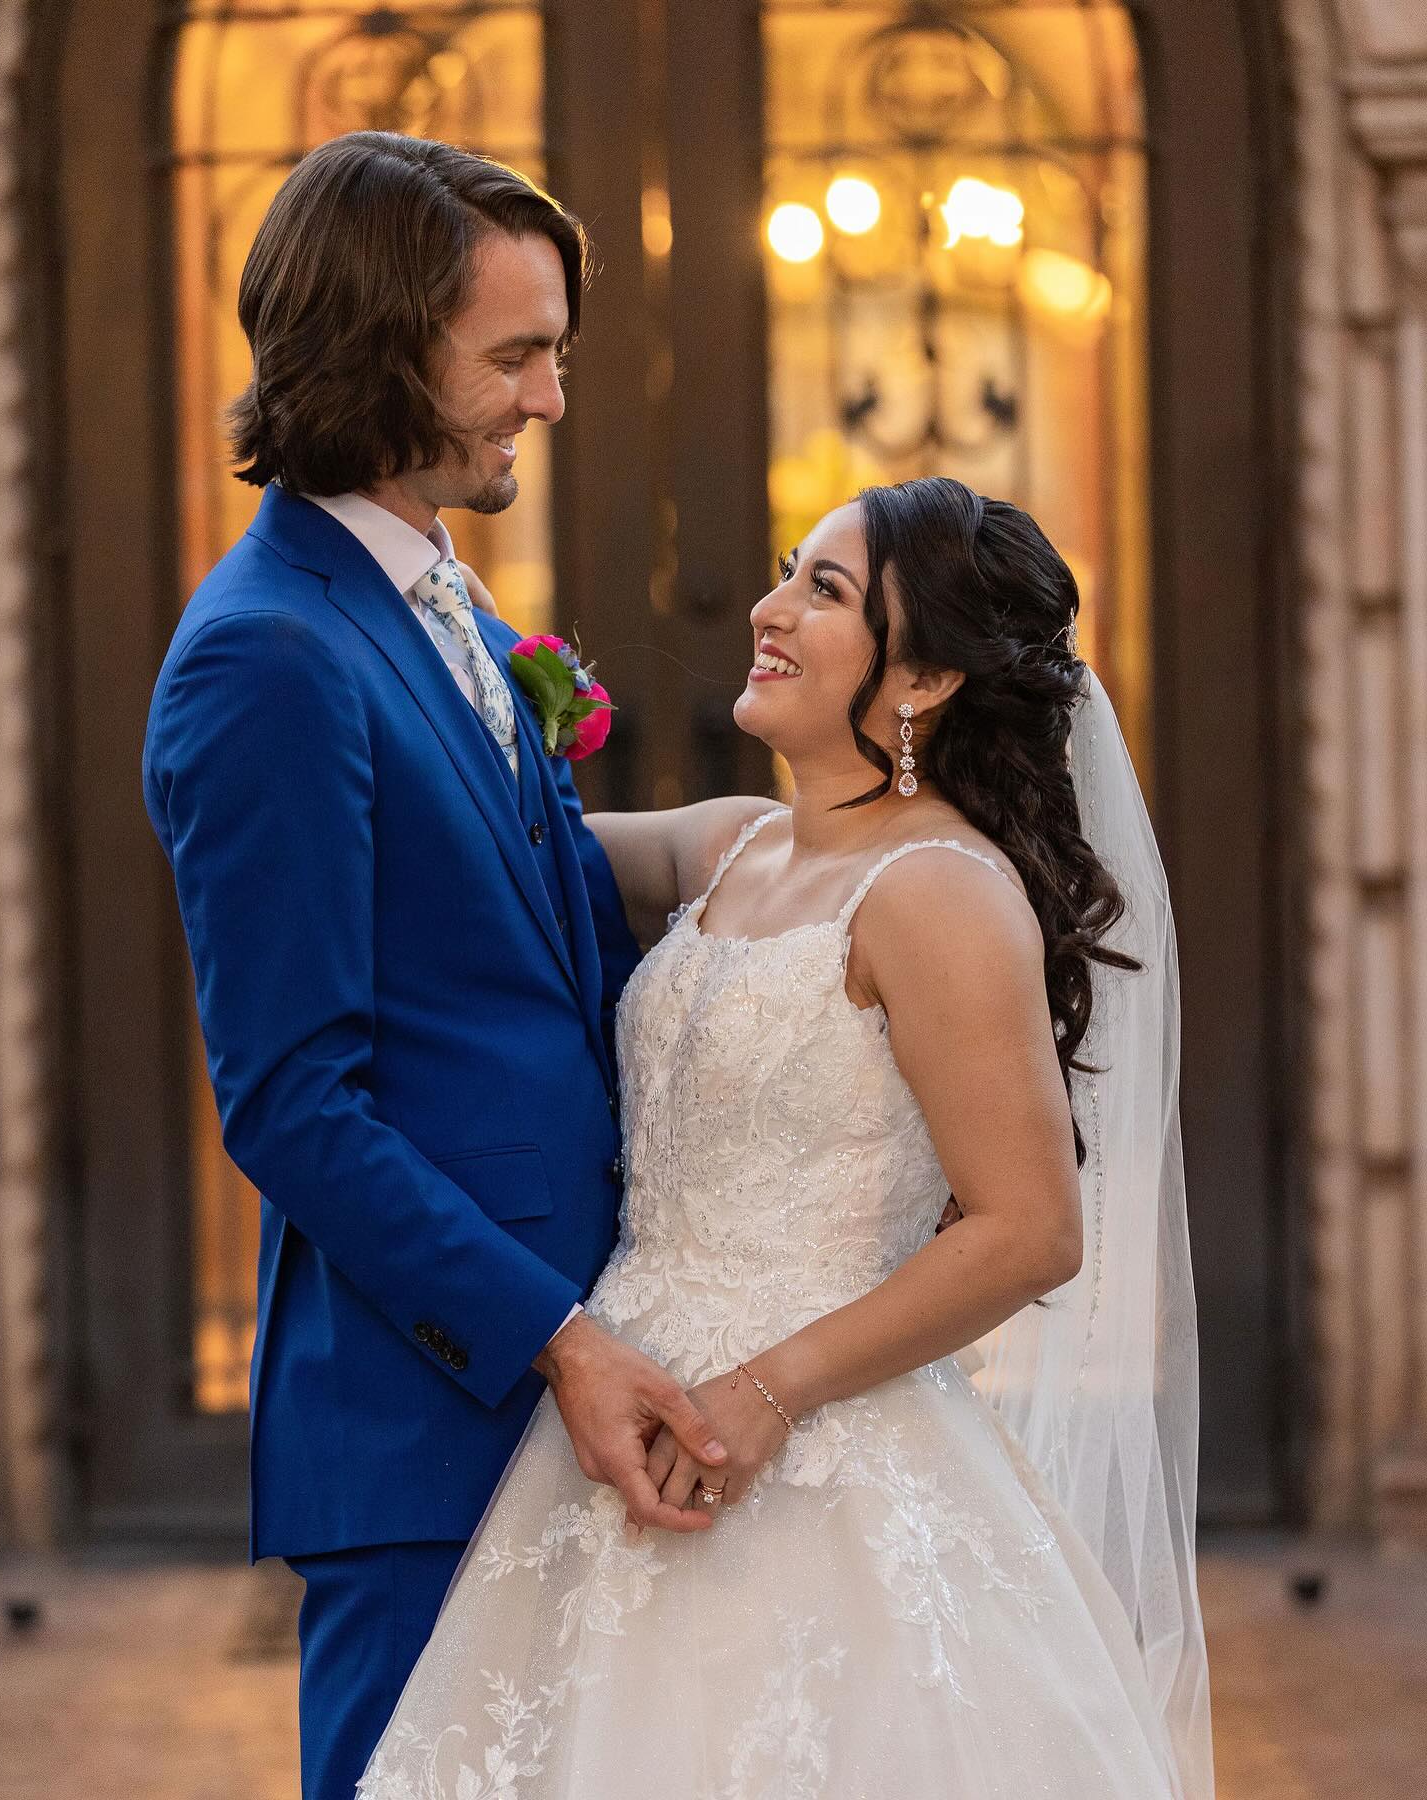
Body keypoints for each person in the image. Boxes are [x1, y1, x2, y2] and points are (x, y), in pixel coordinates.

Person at [358, 478, 1215, 1798]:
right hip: (621, 1419)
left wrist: (763, 1394)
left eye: (823, 591)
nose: (766, 611)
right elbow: (496, 855)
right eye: (785, 572)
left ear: (922, 680)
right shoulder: (732, 851)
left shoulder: (936, 895)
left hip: (817, 1445)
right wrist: (453, 645)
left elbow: (1030, 1229)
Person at [141, 132, 738, 1800]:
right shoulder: (266, 658)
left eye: (560, 353)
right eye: (518, 358)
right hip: (433, 1412)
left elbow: (505, 901)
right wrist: (561, 1340)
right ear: (378, 349)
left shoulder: (442, 605)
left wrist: (768, 845)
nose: (553, 399)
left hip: (564, 1382)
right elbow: (293, 1108)